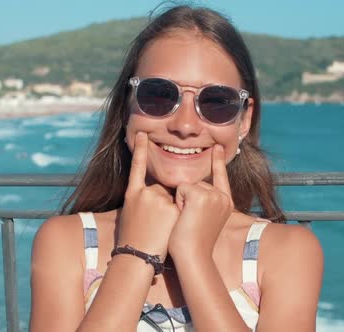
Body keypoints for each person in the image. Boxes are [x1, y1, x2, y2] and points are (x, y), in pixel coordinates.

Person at [30, 4, 323, 331]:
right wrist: (135, 254)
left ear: (244, 119)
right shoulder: (67, 242)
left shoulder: (288, 251)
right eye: (158, 96)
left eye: (216, 102)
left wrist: (194, 255)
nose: (185, 125)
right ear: (127, 108)